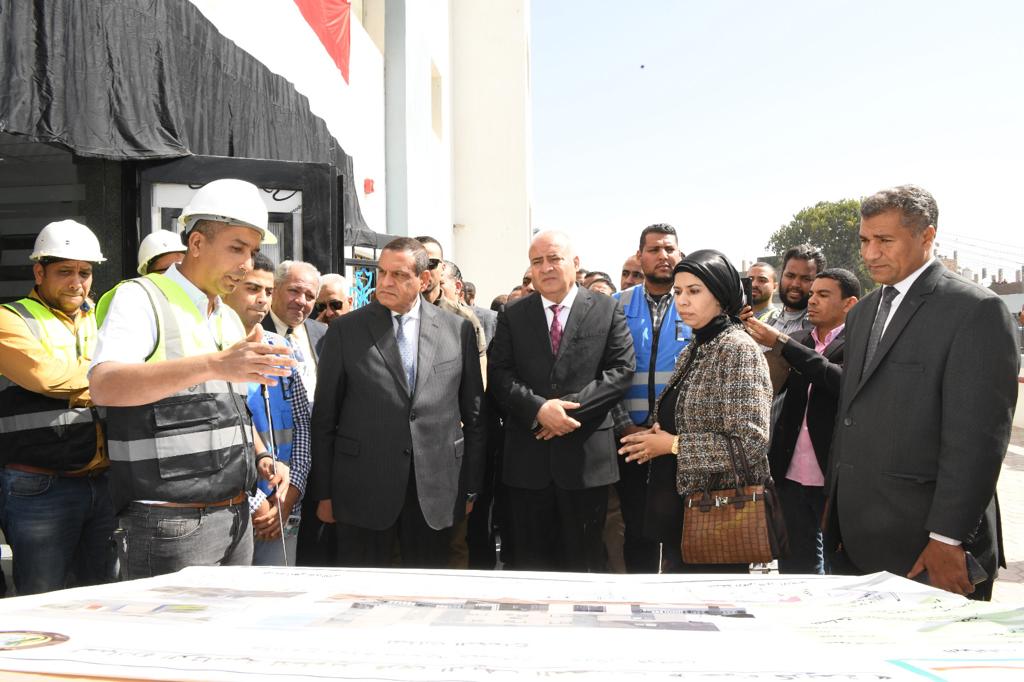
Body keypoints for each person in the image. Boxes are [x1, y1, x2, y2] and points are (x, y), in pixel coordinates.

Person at [89, 178, 292, 578]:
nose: (247, 263)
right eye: (236, 248)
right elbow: (104, 385)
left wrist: (262, 456)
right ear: (196, 243)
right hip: (170, 522)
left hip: (234, 516)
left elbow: (227, 408)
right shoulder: (141, 297)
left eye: (252, 252)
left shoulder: (227, 316)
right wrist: (214, 364)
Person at [826, 185, 1019, 600]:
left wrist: (947, 538)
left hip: (930, 551)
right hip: (856, 542)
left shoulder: (975, 310)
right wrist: (834, 513)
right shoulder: (861, 313)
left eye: (884, 240)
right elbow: (851, 415)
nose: (870, 253)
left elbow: (979, 441)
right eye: (864, 240)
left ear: (927, 236)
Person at [310, 237, 486, 568]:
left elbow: (475, 417)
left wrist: (471, 487)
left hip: (436, 493)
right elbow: (324, 419)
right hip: (362, 491)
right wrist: (325, 492)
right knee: (363, 592)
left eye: (400, 275)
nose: (387, 282)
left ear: (424, 279)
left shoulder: (457, 330)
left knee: (427, 589)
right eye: (382, 273)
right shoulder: (346, 331)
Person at [488, 231, 635, 572]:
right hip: (528, 462)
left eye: (554, 258)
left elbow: (621, 371)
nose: (546, 268)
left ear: (575, 263)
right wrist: (539, 410)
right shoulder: (513, 314)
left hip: (585, 462)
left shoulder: (606, 308)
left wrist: (565, 412)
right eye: (537, 261)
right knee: (530, 567)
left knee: (584, 565)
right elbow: (499, 374)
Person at [619, 250, 772, 573]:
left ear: (720, 294)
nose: (682, 301)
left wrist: (673, 445)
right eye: (677, 291)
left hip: (720, 515)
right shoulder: (697, 346)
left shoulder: (737, 349)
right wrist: (657, 436)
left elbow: (750, 442)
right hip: (685, 512)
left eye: (694, 291)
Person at [0, 220, 114, 595]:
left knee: (101, 595)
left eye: (85, 272)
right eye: (65, 272)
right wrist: (110, 378)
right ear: (39, 272)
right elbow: (46, 377)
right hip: (39, 487)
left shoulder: (101, 317)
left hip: (101, 481)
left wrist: (96, 379)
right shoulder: (10, 318)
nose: (76, 282)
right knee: (41, 598)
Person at [745, 268, 860, 574]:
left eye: (823, 294)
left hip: (833, 477)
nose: (812, 301)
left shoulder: (859, 344)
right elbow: (766, 388)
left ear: (849, 304)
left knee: (839, 568)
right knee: (795, 567)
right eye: (812, 294)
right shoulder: (799, 340)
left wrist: (784, 345)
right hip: (791, 474)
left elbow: (839, 380)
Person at [223, 253, 312, 567]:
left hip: (283, 508)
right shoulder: (214, 351)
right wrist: (256, 502)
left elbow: (302, 425)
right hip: (236, 509)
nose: (262, 299)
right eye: (252, 289)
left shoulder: (281, 349)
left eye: (268, 291)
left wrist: (290, 495)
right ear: (229, 288)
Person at [611, 223, 689, 574]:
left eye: (669, 249)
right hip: (630, 438)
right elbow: (605, 371)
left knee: (678, 534)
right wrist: (624, 425)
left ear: (680, 254)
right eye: (654, 249)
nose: (663, 256)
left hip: (676, 440)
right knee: (637, 532)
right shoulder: (616, 305)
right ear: (639, 255)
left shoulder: (695, 301)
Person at [261, 261, 327, 402]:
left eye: (310, 296)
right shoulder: (256, 330)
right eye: (294, 291)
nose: (301, 301)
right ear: (275, 289)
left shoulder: (323, 334)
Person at [772, 245, 825, 336]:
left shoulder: (821, 327)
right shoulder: (767, 320)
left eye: (806, 279)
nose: (795, 284)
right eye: (790, 276)